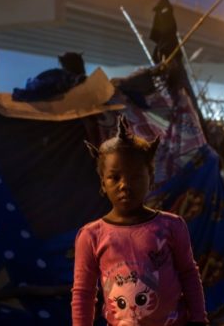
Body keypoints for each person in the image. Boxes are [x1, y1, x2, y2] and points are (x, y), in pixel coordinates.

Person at [72, 116, 208, 326]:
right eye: (115, 177)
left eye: (135, 176)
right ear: (102, 182)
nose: (125, 185)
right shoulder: (91, 236)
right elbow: (84, 292)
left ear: (150, 178)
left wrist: (199, 319)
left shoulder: (171, 227)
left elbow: (189, 274)